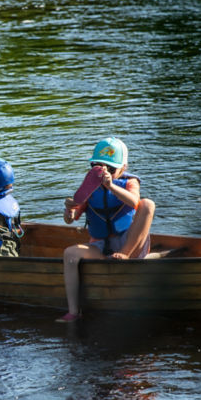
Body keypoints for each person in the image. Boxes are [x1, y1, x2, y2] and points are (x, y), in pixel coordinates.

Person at [57, 137, 156, 322]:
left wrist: (110, 185)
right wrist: (69, 210)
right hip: (101, 248)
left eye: (110, 168)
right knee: (69, 253)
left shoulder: (130, 182)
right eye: (98, 165)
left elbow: (134, 201)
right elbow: (70, 220)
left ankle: (125, 256)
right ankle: (73, 311)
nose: (104, 172)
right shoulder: (90, 186)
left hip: (130, 246)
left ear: (123, 168)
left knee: (148, 205)